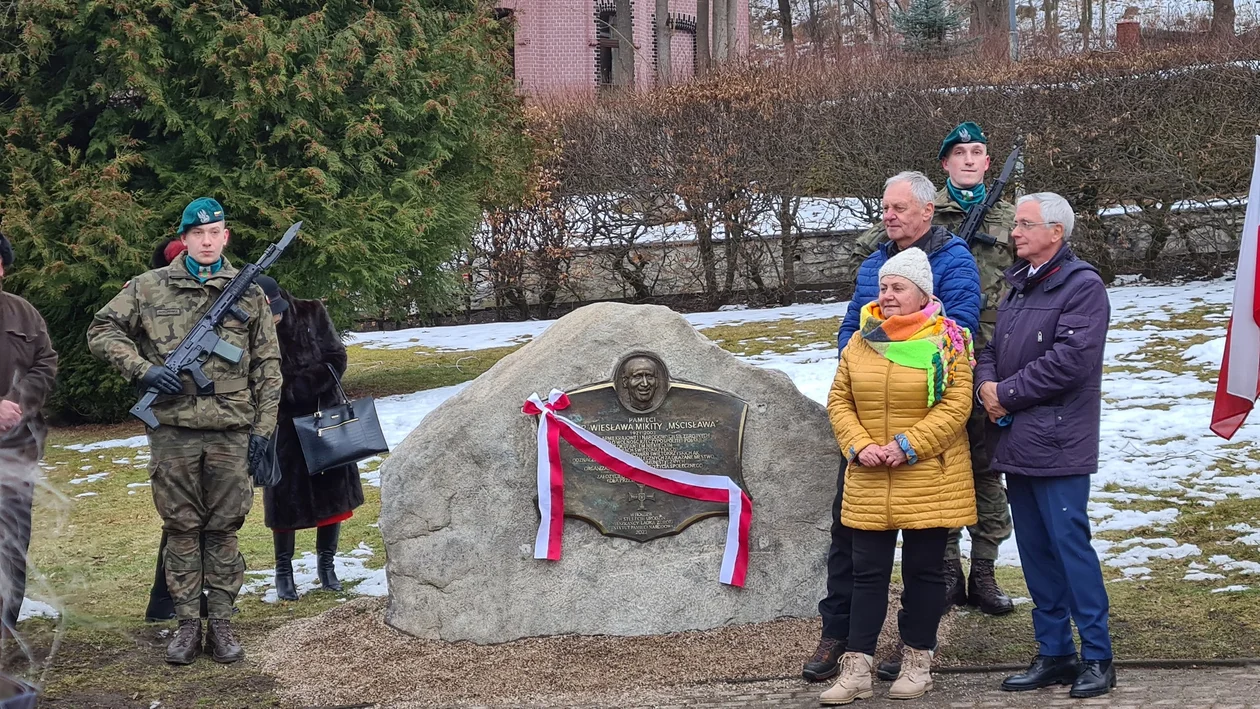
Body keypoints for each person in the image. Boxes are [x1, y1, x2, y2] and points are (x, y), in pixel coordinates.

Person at [87, 198, 282, 665]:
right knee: (181, 528)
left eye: (215, 232)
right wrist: (142, 371)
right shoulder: (149, 287)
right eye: (199, 234)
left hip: (231, 433)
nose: (208, 241)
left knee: (224, 529)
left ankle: (222, 625)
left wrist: (263, 431)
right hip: (173, 431)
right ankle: (187, 626)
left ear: (225, 236)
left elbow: (269, 368)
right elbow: (101, 330)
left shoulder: (249, 293)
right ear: (185, 239)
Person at [804, 170, 981, 682]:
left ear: (928, 211)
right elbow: (850, 328)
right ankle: (839, 637)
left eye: (899, 208)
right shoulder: (872, 263)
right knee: (852, 546)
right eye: (886, 207)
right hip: (867, 433)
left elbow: (959, 340)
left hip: (920, 441)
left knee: (926, 559)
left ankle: (912, 651)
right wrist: (862, 365)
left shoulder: (954, 260)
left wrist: (906, 430)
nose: (889, 215)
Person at [851, 122, 1017, 624]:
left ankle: (984, 571)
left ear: (988, 161)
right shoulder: (915, 221)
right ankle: (945, 569)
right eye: (958, 153)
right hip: (914, 375)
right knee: (935, 470)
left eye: (978, 152)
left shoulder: (1012, 217)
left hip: (983, 357)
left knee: (985, 468)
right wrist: (867, 362)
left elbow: (977, 308)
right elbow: (859, 315)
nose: (969, 160)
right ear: (943, 164)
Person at [974, 193, 1115, 698]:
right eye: (1015, 224)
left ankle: (1098, 656)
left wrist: (1004, 393)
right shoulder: (1017, 285)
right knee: (1034, 553)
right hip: (1018, 438)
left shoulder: (1082, 287)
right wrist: (986, 387)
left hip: (1058, 441)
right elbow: (991, 348)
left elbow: (1070, 361)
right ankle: (1054, 653)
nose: (1014, 232)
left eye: (1025, 224)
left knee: (1069, 548)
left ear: (1056, 232)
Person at [264, 279, 364, 601]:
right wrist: (283, 393)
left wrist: (306, 384)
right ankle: (283, 571)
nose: (274, 318)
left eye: (276, 311)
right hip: (282, 425)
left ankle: (327, 565)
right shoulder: (249, 326)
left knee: (332, 496)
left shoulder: (312, 312)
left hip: (324, 417)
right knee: (284, 500)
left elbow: (337, 356)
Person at [0, 233, 58, 637]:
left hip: (16, 450)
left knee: (11, 543)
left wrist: (16, 401)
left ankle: (4, 631)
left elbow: (46, 363)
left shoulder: (23, 314)